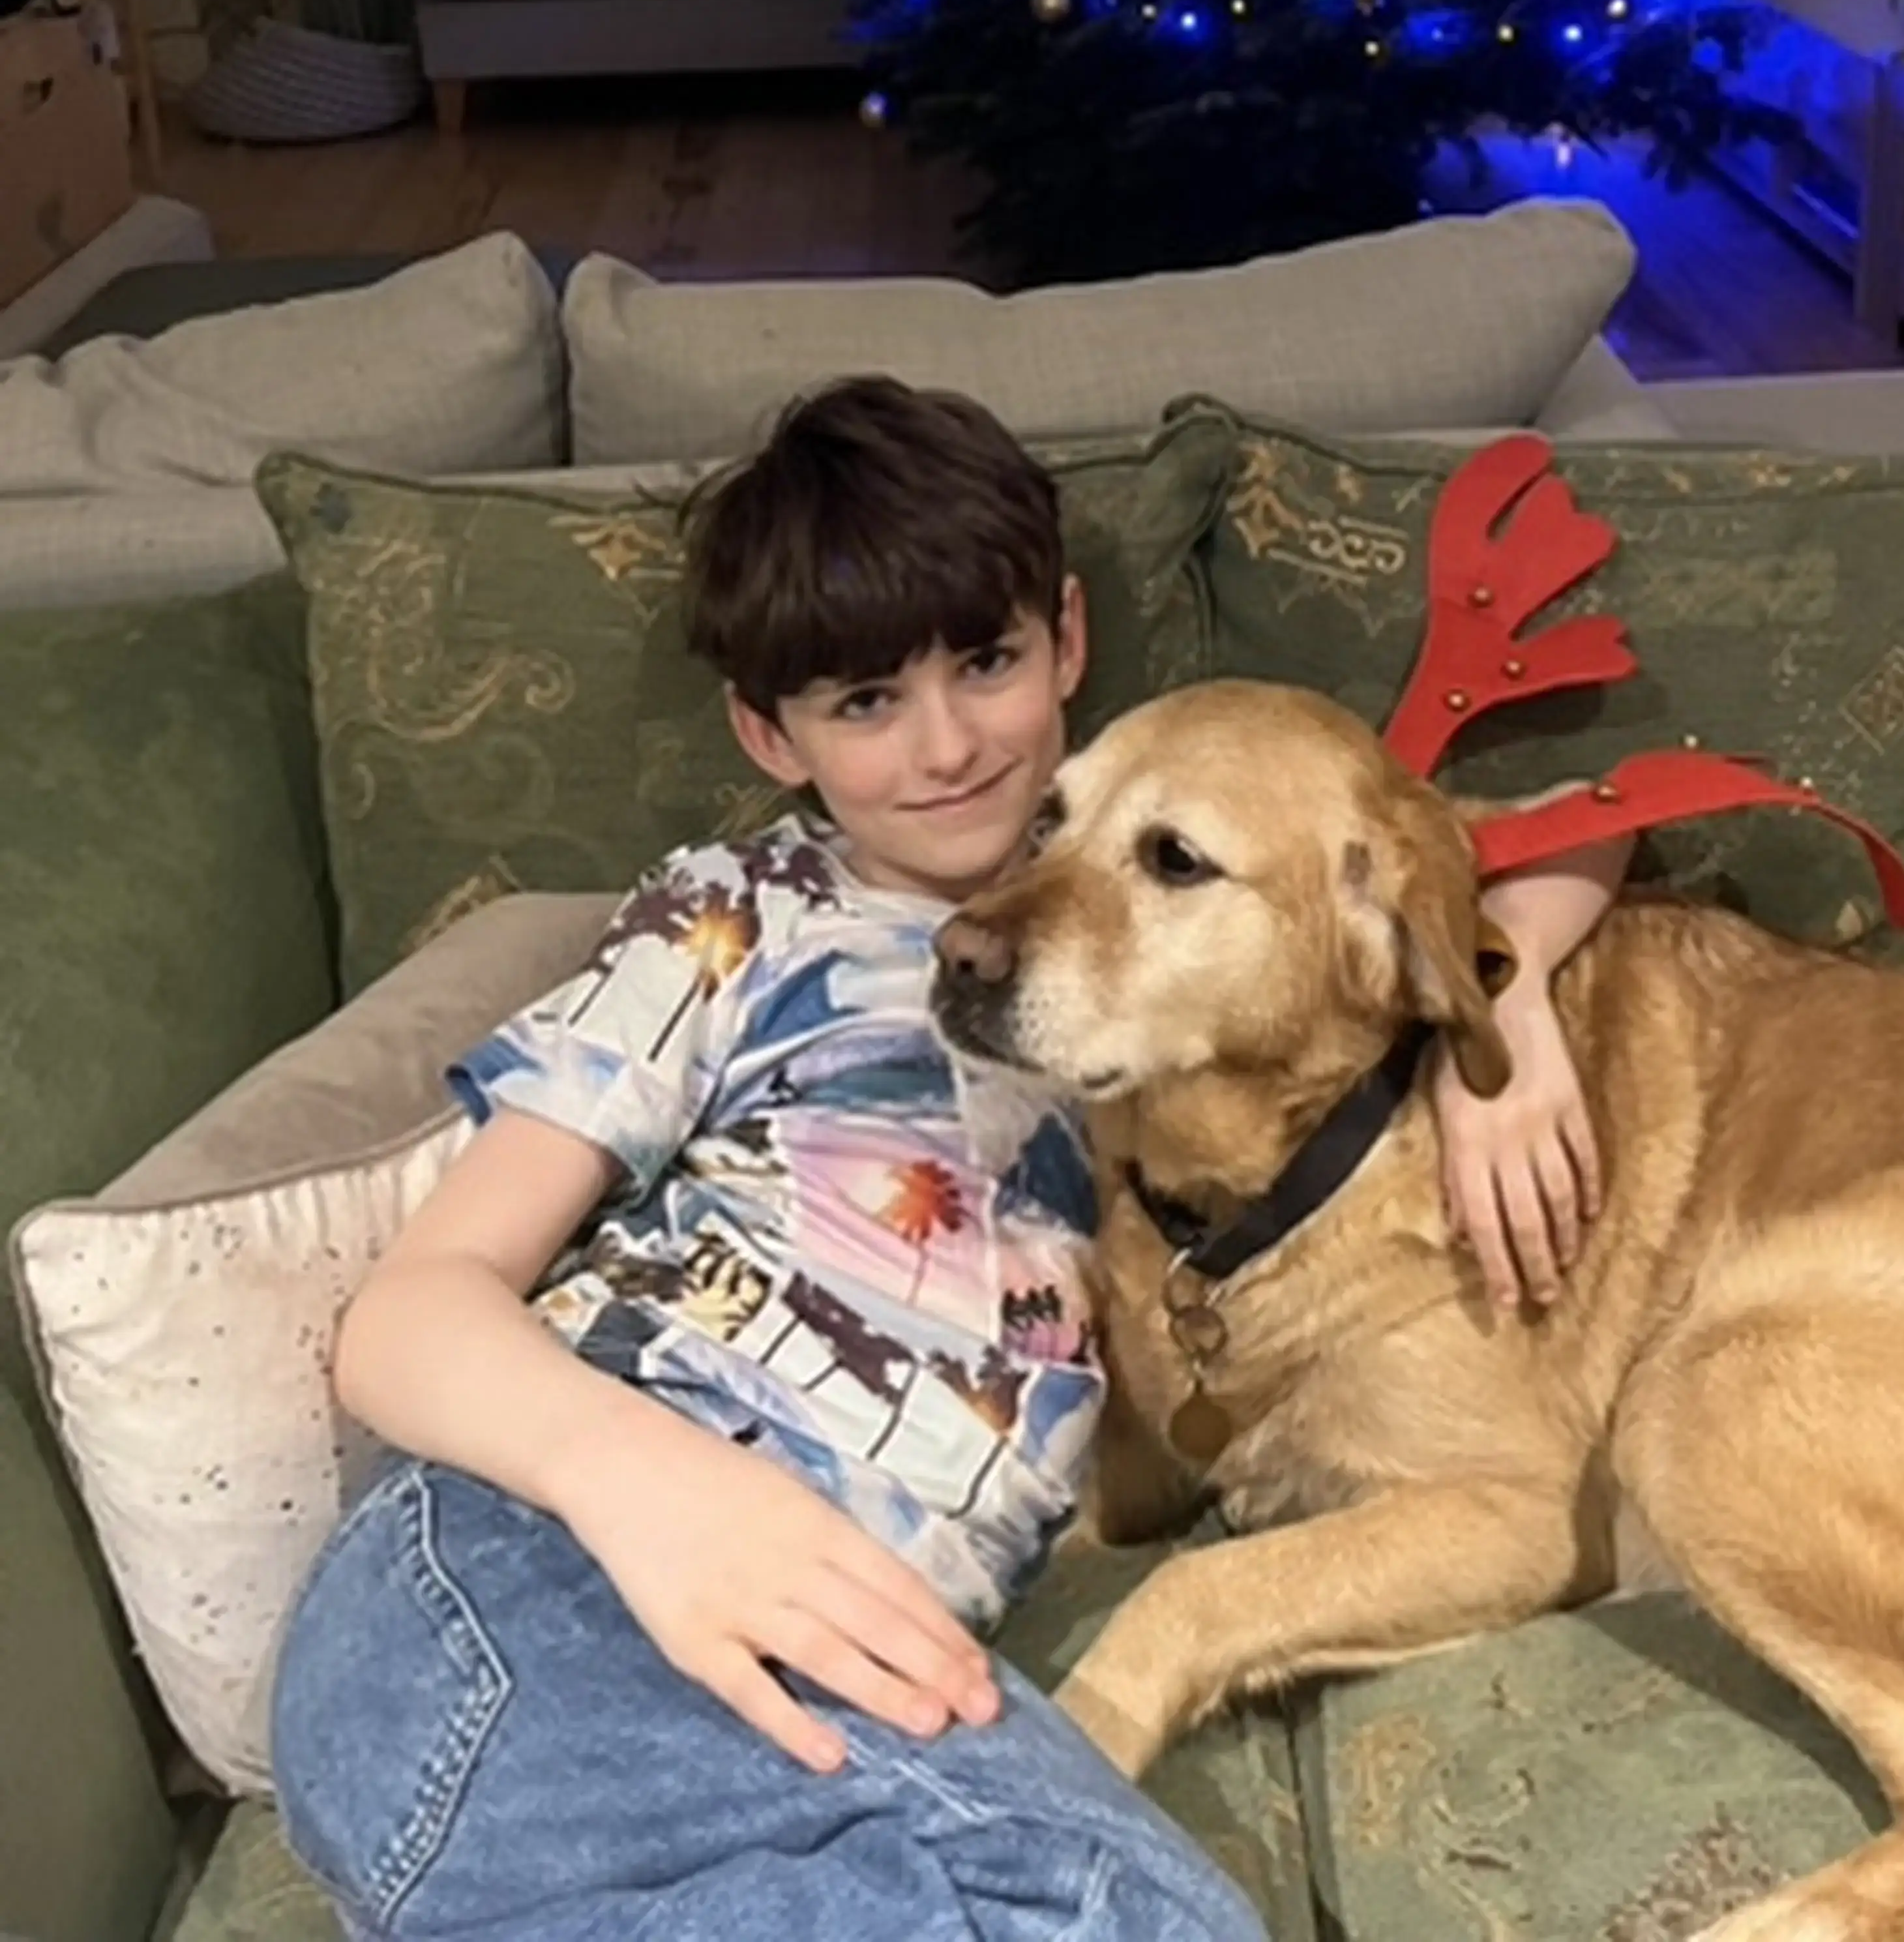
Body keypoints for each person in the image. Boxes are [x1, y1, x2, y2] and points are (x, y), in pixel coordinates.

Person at [270, 376, 1628, 1939]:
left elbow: (1556, 824)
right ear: (767, 733)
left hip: (866, 1653)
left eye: (984, 664)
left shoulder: (1165, 962)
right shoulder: (738, 919)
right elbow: (408, 1313)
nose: (947, 746)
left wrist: (1504, 1024)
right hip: (537, 1566)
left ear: (1064, 639)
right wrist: (659, 1493)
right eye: (863, 702)